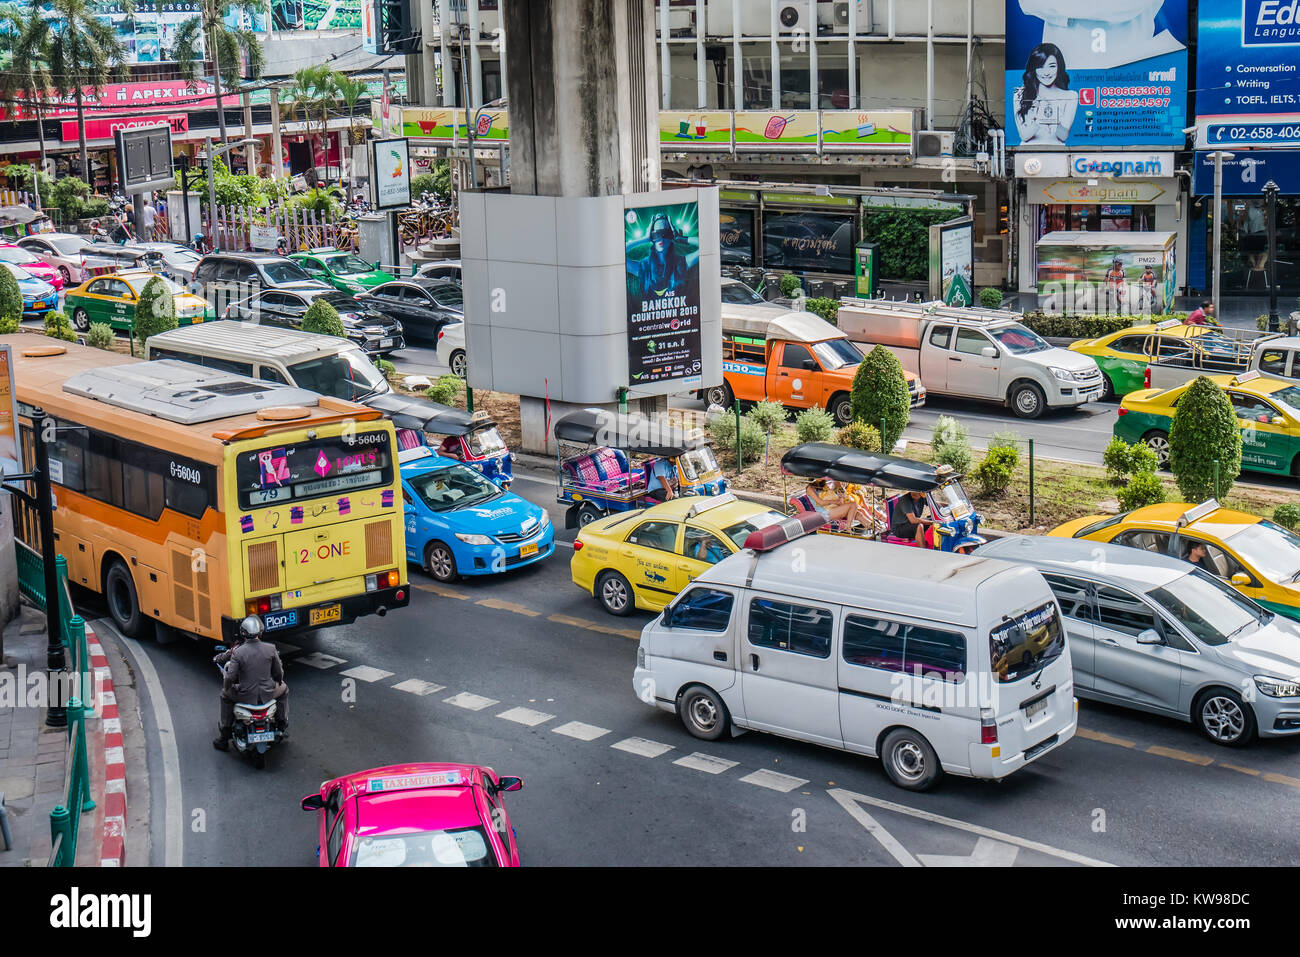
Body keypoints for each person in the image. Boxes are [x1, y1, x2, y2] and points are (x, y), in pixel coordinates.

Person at [214, 616, 289, 750]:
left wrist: (227, 688)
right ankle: (282, 722)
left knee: (225, 696)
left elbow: (230, 677)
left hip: (245, 695)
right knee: (284, 689)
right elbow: (279, 673)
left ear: (243, 633)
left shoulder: (238, 652)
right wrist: (277, 681)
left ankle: (224, 735)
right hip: (268, 693)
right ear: (260, 632)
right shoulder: (271, 649)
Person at [1011, 43, 1078, 145]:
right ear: (1034, 69)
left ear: (1059, 67)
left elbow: (1062, 136)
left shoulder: (1070, 96)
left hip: (1057, 153)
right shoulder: (1020, 94)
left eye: (1051, 66)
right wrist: (1040, 116)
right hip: (1028, 152)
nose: (1046, 73)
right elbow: (1025, 136)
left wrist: (1052, 113)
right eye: (1040, 67)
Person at [629, 213, 689, 300]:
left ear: (671, 236)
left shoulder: (680, 263)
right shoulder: (644, 267)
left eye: (665, 233)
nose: (661, 238)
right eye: (657, 234)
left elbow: (705, 246)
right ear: (652, 237)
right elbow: (618, 254)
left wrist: (681, 238)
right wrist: (644, 239)